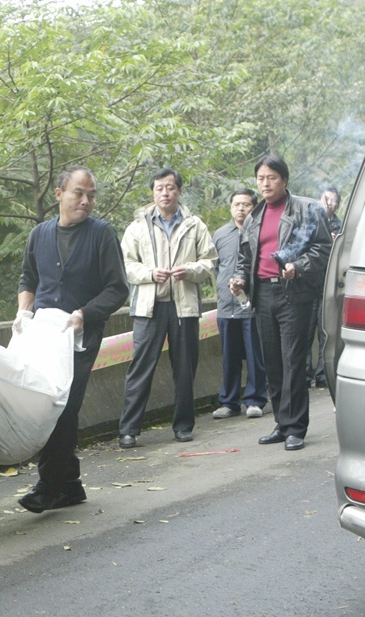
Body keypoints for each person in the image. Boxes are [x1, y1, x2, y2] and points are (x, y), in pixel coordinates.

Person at [15, 166, 128, 513]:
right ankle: (71, 485)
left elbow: (117, 288)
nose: (86, 201)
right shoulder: (40, 234)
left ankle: (49, 487)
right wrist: (23, 312)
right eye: (79, 193)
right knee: (43, 401)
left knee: (61, 406)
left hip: (80, 335)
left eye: (92, 195)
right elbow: (28, 278)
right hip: (43, 334)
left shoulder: (102, 235)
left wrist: (84, 314)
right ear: (59, 194)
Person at [231, 155, 332, 451]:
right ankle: (282, 422)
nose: (265, 183)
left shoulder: (307, 209)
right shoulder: (253, 217)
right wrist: (238, 278)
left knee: (293, 360)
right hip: (261, 294)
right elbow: (244, 258)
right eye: (261, 178)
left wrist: (297, 266)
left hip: (293, 293)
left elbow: (323, 249)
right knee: (272, 362)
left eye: (271, 177)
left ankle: (296, 427)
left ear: (284, 180)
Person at [117, 168, 217, 447]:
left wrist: (191, 270)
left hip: (184, 307)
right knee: (140, 368)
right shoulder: (137, 227)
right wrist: (150, 274)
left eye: (170, 187)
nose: (165, 193)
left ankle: (183, 426)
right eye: (160, 188)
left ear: (179, 191)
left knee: (185, 368)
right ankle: (129, 429)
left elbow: (210, 260)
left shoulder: (194, 224)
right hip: (149, 307)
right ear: (153, 192)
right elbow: (125, 265)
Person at [212, 188, 268, 420]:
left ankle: (255, 400)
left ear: (254, 207)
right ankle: (229, 402)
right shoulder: (220, 234)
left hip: (252, 305)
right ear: (230, 207)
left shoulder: (260, 232)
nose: (241, 209)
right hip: (226, 305)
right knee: (229, 356)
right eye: (236, 204)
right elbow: (215, 267)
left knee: (255, 355)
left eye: (246, 204)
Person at [306, 186, 342, 389]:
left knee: (325, 332)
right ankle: (304, 374)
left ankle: (322, 374)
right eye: (326, 199)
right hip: (308, 284)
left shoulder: (340, 226)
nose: (330, 204)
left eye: (334, 200)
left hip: (328, 286)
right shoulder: (309, 222)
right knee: (304, 332)